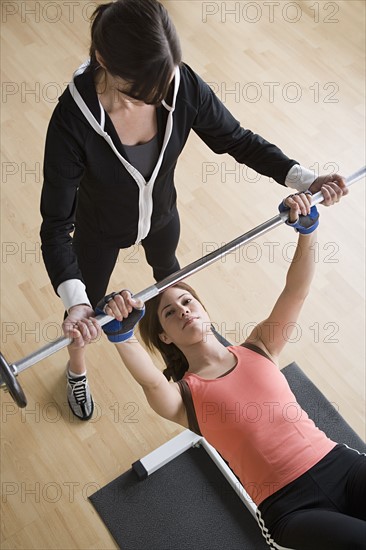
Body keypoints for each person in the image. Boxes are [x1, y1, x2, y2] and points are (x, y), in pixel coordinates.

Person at [40, 0, 347, 420]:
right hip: (99, 230)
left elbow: (237, 139)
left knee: (170, 272)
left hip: (163, 215)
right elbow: (56, 227)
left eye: (168, 80)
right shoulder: (72, 122)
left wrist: (302, 178)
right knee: (86, 317)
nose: (166, 93)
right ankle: (76, 370)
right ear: (103, 61)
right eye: (151, 88)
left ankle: (198, 349)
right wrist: (75, 304)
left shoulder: (178, 81)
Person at [80, 187, 366, 550]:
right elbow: (151, 383)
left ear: (203, 308)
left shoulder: (260, 346)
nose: (183, 310)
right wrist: (121, 335)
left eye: (187, 301)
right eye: (170, 312)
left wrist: (308, 232)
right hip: (291, 508)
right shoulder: (183, 399)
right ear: (165, 337)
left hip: (339, 466)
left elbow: (295, 292)